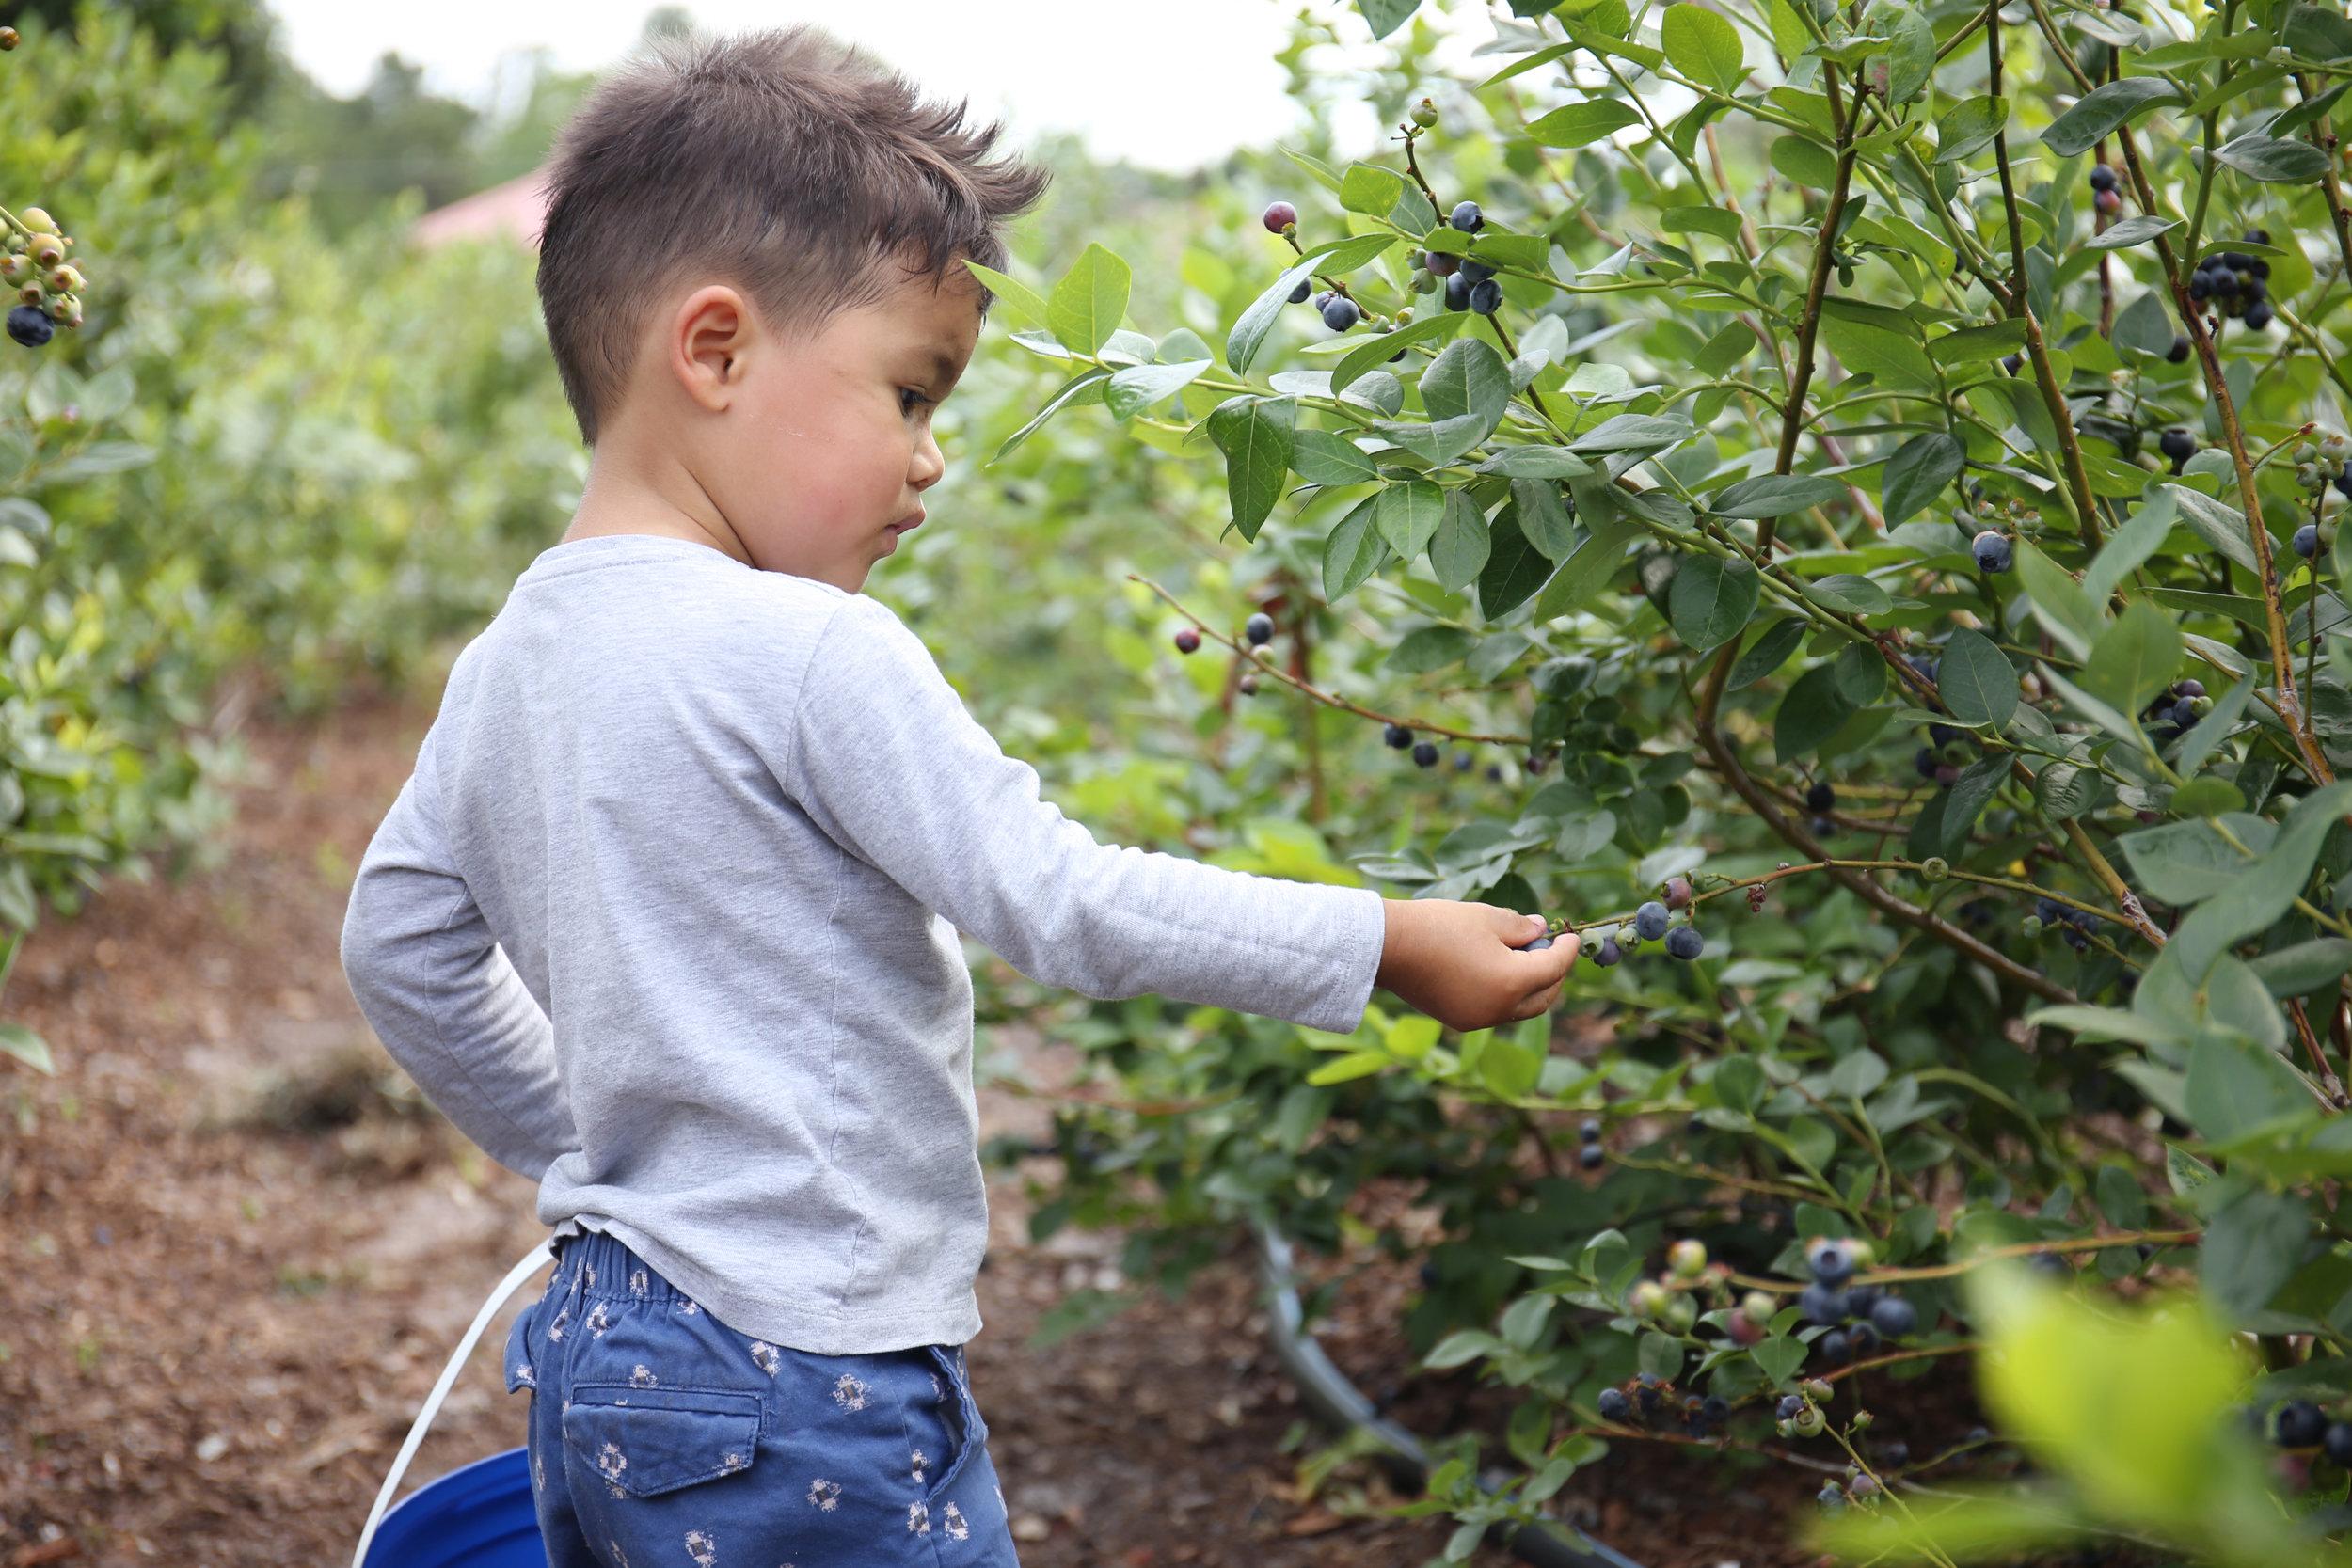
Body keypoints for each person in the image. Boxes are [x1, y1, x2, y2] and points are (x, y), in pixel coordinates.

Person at [340, 25, 1577, 1567]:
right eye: (912, 394)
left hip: (601, 1358)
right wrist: (1383, 940)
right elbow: (1054, 897)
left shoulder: (506, 659)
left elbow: (399, 944)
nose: (931, 462)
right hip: (813, 1379)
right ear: (714, 350)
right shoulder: (812, 653)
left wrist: (601, 1151)